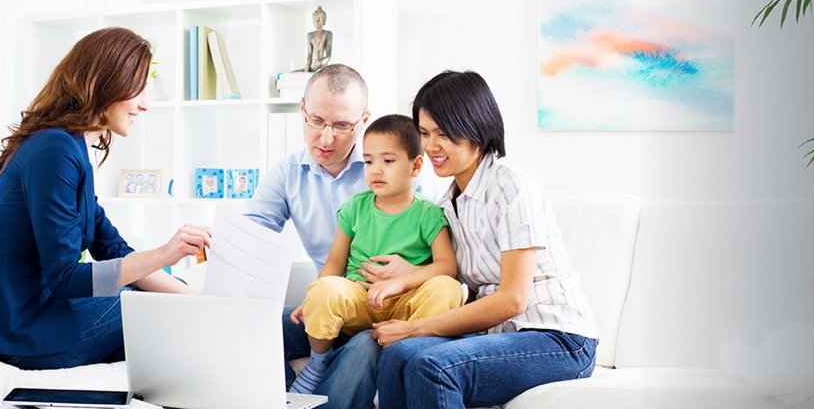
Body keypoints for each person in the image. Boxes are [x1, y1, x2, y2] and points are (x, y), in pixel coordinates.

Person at [0, 27, 210, 370]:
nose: (145, 104)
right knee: (155, 310)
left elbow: (116, 252)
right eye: (139, 87)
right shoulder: (54, 150)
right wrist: (165, 253)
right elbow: (65, 279)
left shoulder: (71, 149)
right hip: (10, 334)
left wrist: (208, 304)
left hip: (27, 322)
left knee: (176, 304)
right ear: (107, 82)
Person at [373, 71, 600, 408]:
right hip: (502, 335)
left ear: (475, 129)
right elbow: (453, 277)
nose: (432, 146)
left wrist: (417, 327)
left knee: (433, 368)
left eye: (444, 133)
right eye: (424, 133)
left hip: (559, 338)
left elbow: (512, 300)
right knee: (397, 357)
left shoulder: (511, 188)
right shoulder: (447, 204)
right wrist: (407, 275)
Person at [245, 63, 392, 409]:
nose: (326, 138)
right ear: (302, 110)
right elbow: (251, 239)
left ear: (364, 119)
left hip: (378, 311)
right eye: (316, 121)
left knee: (364, 349)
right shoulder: (288, 173)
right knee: (251, 327)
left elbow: (435, 241)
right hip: (325, 308)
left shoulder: (390, 166)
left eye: (342, 126)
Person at [287, 115, 463, 394]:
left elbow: (447, 266)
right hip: (360, 297)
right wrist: (314, 297)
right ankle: (318, 362)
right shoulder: (355, 208)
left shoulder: (429, 214)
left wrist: (399, 283)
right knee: (324, 289)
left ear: (415, 166)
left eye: (388, 161)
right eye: (369, 161)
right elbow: (335, 262)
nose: (376, 170)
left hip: (407, 306)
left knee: (448, 288)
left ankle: (402, 347)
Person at [305, 6, 333, 72]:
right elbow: (309, 56)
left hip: (322, 67)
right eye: (316, 19)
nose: (317, 21)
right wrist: (306, 72)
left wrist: (320, 62)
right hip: (312, 66)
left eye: (320, 19)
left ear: (324, 20)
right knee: (293, 73)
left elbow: (329, 55)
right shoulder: (310, 35)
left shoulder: (328, 34)